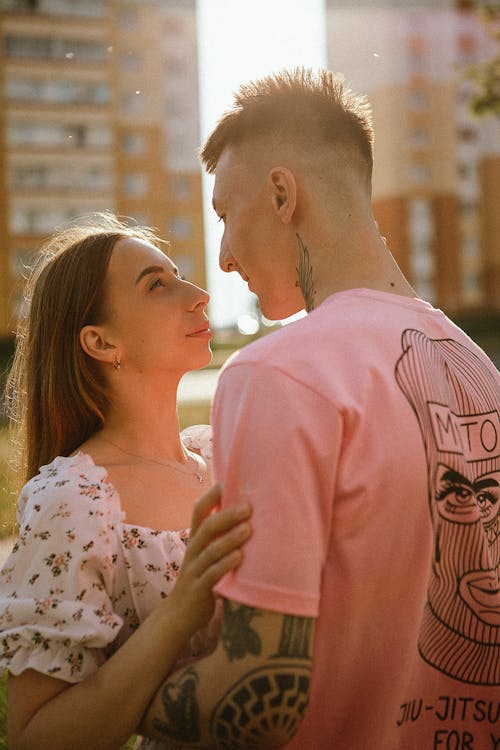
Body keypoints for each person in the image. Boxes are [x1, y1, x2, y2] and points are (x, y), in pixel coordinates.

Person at [139, 68, 500, 749]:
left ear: (282, 194)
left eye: (224, 216)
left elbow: (257, 700)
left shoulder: (279, 374)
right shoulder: (478, 370)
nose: (223, 256)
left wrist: (105, 687)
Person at [0, 213, 252, 750]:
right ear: (100, 342)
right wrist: (178, 615)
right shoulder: (74, 499)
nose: (199, 294)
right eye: (158, 285)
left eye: (179, 275)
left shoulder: (226, 453)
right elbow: (32, 735)